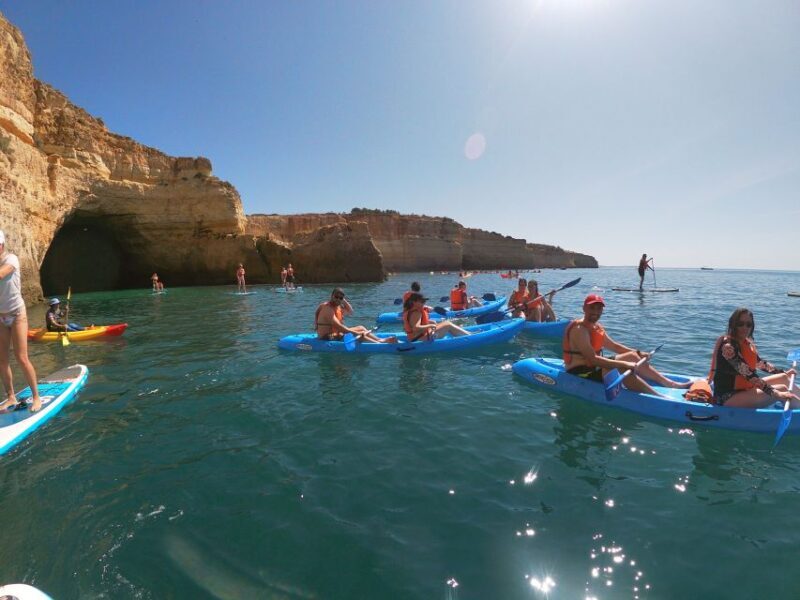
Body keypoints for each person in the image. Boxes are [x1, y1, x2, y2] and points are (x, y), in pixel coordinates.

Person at [562, 294, 689, 395]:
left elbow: (615, 347)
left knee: (633, 356)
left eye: (599, 308)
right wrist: (625, 364)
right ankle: (658, 397)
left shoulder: (596, 327)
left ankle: (670, 384)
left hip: (594, 368)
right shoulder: (579, 330)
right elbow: (593, 360)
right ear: (584, 308)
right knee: (621, 368)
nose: (595, 311)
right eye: (592, 308)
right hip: (581, 372)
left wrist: (639, 354)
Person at [708, 308, 799, 408]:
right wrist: (776, 393)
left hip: (745, 389)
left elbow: (759, 363)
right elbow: (749, 375)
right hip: (727, 397)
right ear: (733, 324)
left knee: (784, 378)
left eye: (748, 324)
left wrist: (782, 372)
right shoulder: (728, 348)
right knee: (782, 389)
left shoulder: (746, 342)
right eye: (740, 324)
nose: (745, 328)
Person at [0, 230, 42, 413]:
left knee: (21, 357)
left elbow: (1, 274)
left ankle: (36, 397)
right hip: (0, 317)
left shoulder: (11, 259)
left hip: (17, 314)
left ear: (1, 245)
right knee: (2, 360)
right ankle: (10, 397)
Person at [315, 288, 397, 344]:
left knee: (361, 327)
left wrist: (343, 300)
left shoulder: (337, 307)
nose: (338, 299)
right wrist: (357, 333)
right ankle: (379, 344)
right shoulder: (328, 309)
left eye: (340, 298)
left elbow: (350, 311)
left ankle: (380, 339)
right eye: (336, 297)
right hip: (327, 337)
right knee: (358, 334)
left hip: (336, 333)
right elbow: (340, 327)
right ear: (331, 296)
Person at [403, 293, 471, 341]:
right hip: (421, 338)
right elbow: (415, 328)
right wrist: (430, 325)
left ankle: (465, 334)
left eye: (424, 301)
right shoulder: (416, 313)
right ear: (414, 302)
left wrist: (429, 323)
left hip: (415, 337)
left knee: (444, 323)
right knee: (447, 325)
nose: (424, 303)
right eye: (422, 301)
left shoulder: (409, 311)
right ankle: (470, 336)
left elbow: (412, 325)